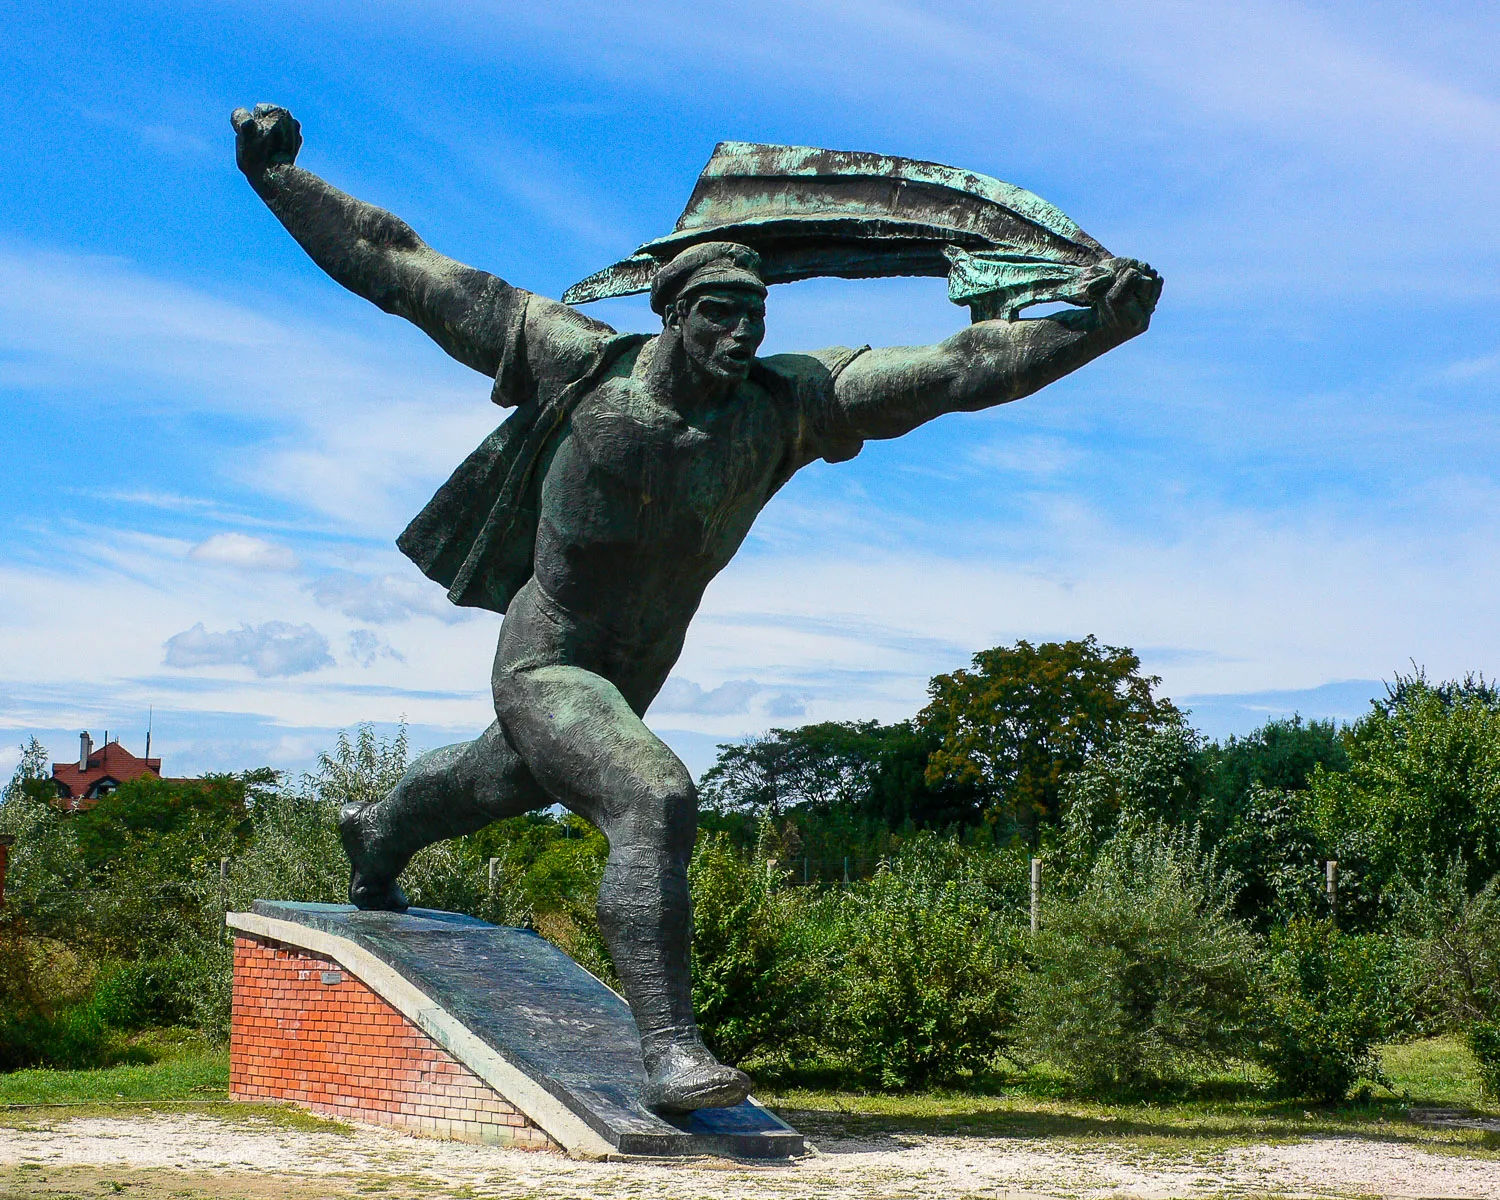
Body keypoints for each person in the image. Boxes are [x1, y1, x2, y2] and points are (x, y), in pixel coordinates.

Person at [231, 103, 1162, 1113]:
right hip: (549, 658)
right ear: (674, 313)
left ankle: (377, 830)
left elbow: (957, 369)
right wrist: (281, 180)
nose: (744, 331)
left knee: (496, 781)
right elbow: (404, 266)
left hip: (629, 674)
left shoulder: (785, 404)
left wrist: (1098, 326)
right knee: (653, 797)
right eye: (721, 313)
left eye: (756, 316)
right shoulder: (575, 361)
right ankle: (672, 1052)